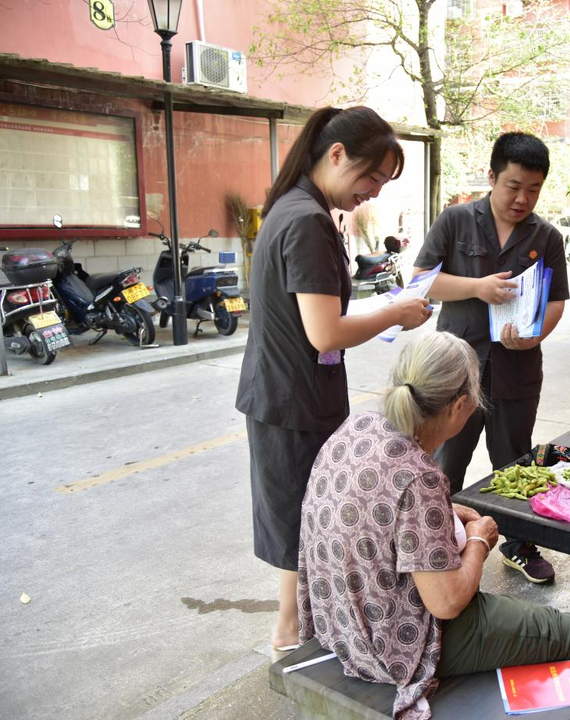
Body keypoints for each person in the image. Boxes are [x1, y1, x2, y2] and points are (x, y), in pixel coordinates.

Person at [298, 332, 570, 719]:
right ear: (460, 406)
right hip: (389, 643)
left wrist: (444, 511)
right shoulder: (419, 476)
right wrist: (479, 541)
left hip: (336, 619)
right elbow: (447, 602)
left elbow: (382, 509)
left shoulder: (357, 427)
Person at [236, 106, 433, 658]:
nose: (372, 191)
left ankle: (298, 629)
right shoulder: (306, 220)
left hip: (289, 393)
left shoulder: (294, 207)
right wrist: (396, 314)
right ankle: (291, 634)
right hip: (292, 398)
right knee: (306, 517)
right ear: (337, 154)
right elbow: (325, 333)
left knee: (302, 513)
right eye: (371, 177)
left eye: (383, 183)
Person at [411, 132, 569, 583]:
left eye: (533, 189)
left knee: (516, 462)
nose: (522, 198)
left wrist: (535, 335)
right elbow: (421, 281)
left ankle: (519, 545)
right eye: (513, 186)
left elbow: (555, 300)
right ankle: (438, 546)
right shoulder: (456, 220)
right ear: (492, 177)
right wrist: (476, 288)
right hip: (454, 374)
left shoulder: (547, 236)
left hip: (516, 370)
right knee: (445, 462)